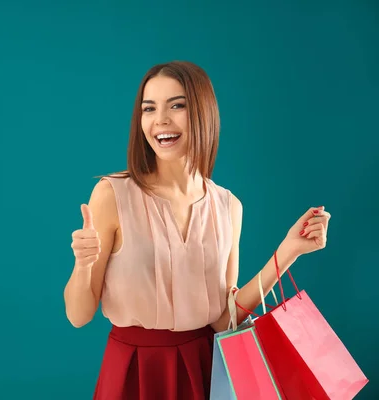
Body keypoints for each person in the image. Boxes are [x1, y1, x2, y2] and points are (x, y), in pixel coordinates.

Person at [63, 61, 330, 400]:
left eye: (177, 105)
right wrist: (83, 264)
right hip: (132, 371)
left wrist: (288, 251)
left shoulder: (228, 206)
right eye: (149, 108)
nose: (160, 119)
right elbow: (78, 315)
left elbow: (224, 321)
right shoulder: (112, 195)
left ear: (203, 113)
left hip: (202, 369)